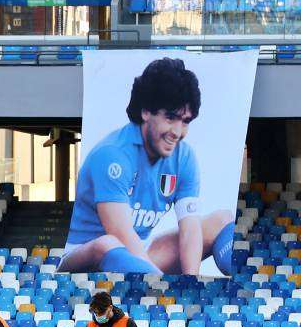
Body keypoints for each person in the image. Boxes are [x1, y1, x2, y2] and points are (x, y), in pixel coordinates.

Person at [58, 56, 235, 275]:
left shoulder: (184, 157)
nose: (177, 132)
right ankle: (157, 287)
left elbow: (189, 228)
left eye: (185, 121)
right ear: (145, 112)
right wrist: (163, 285)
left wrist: (192, 283)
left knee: (222, 219)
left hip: (136, 255)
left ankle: (250, 289)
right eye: (170, 118)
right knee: (109, 243)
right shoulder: (113, 154)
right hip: (85, 257)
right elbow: (121, 233)